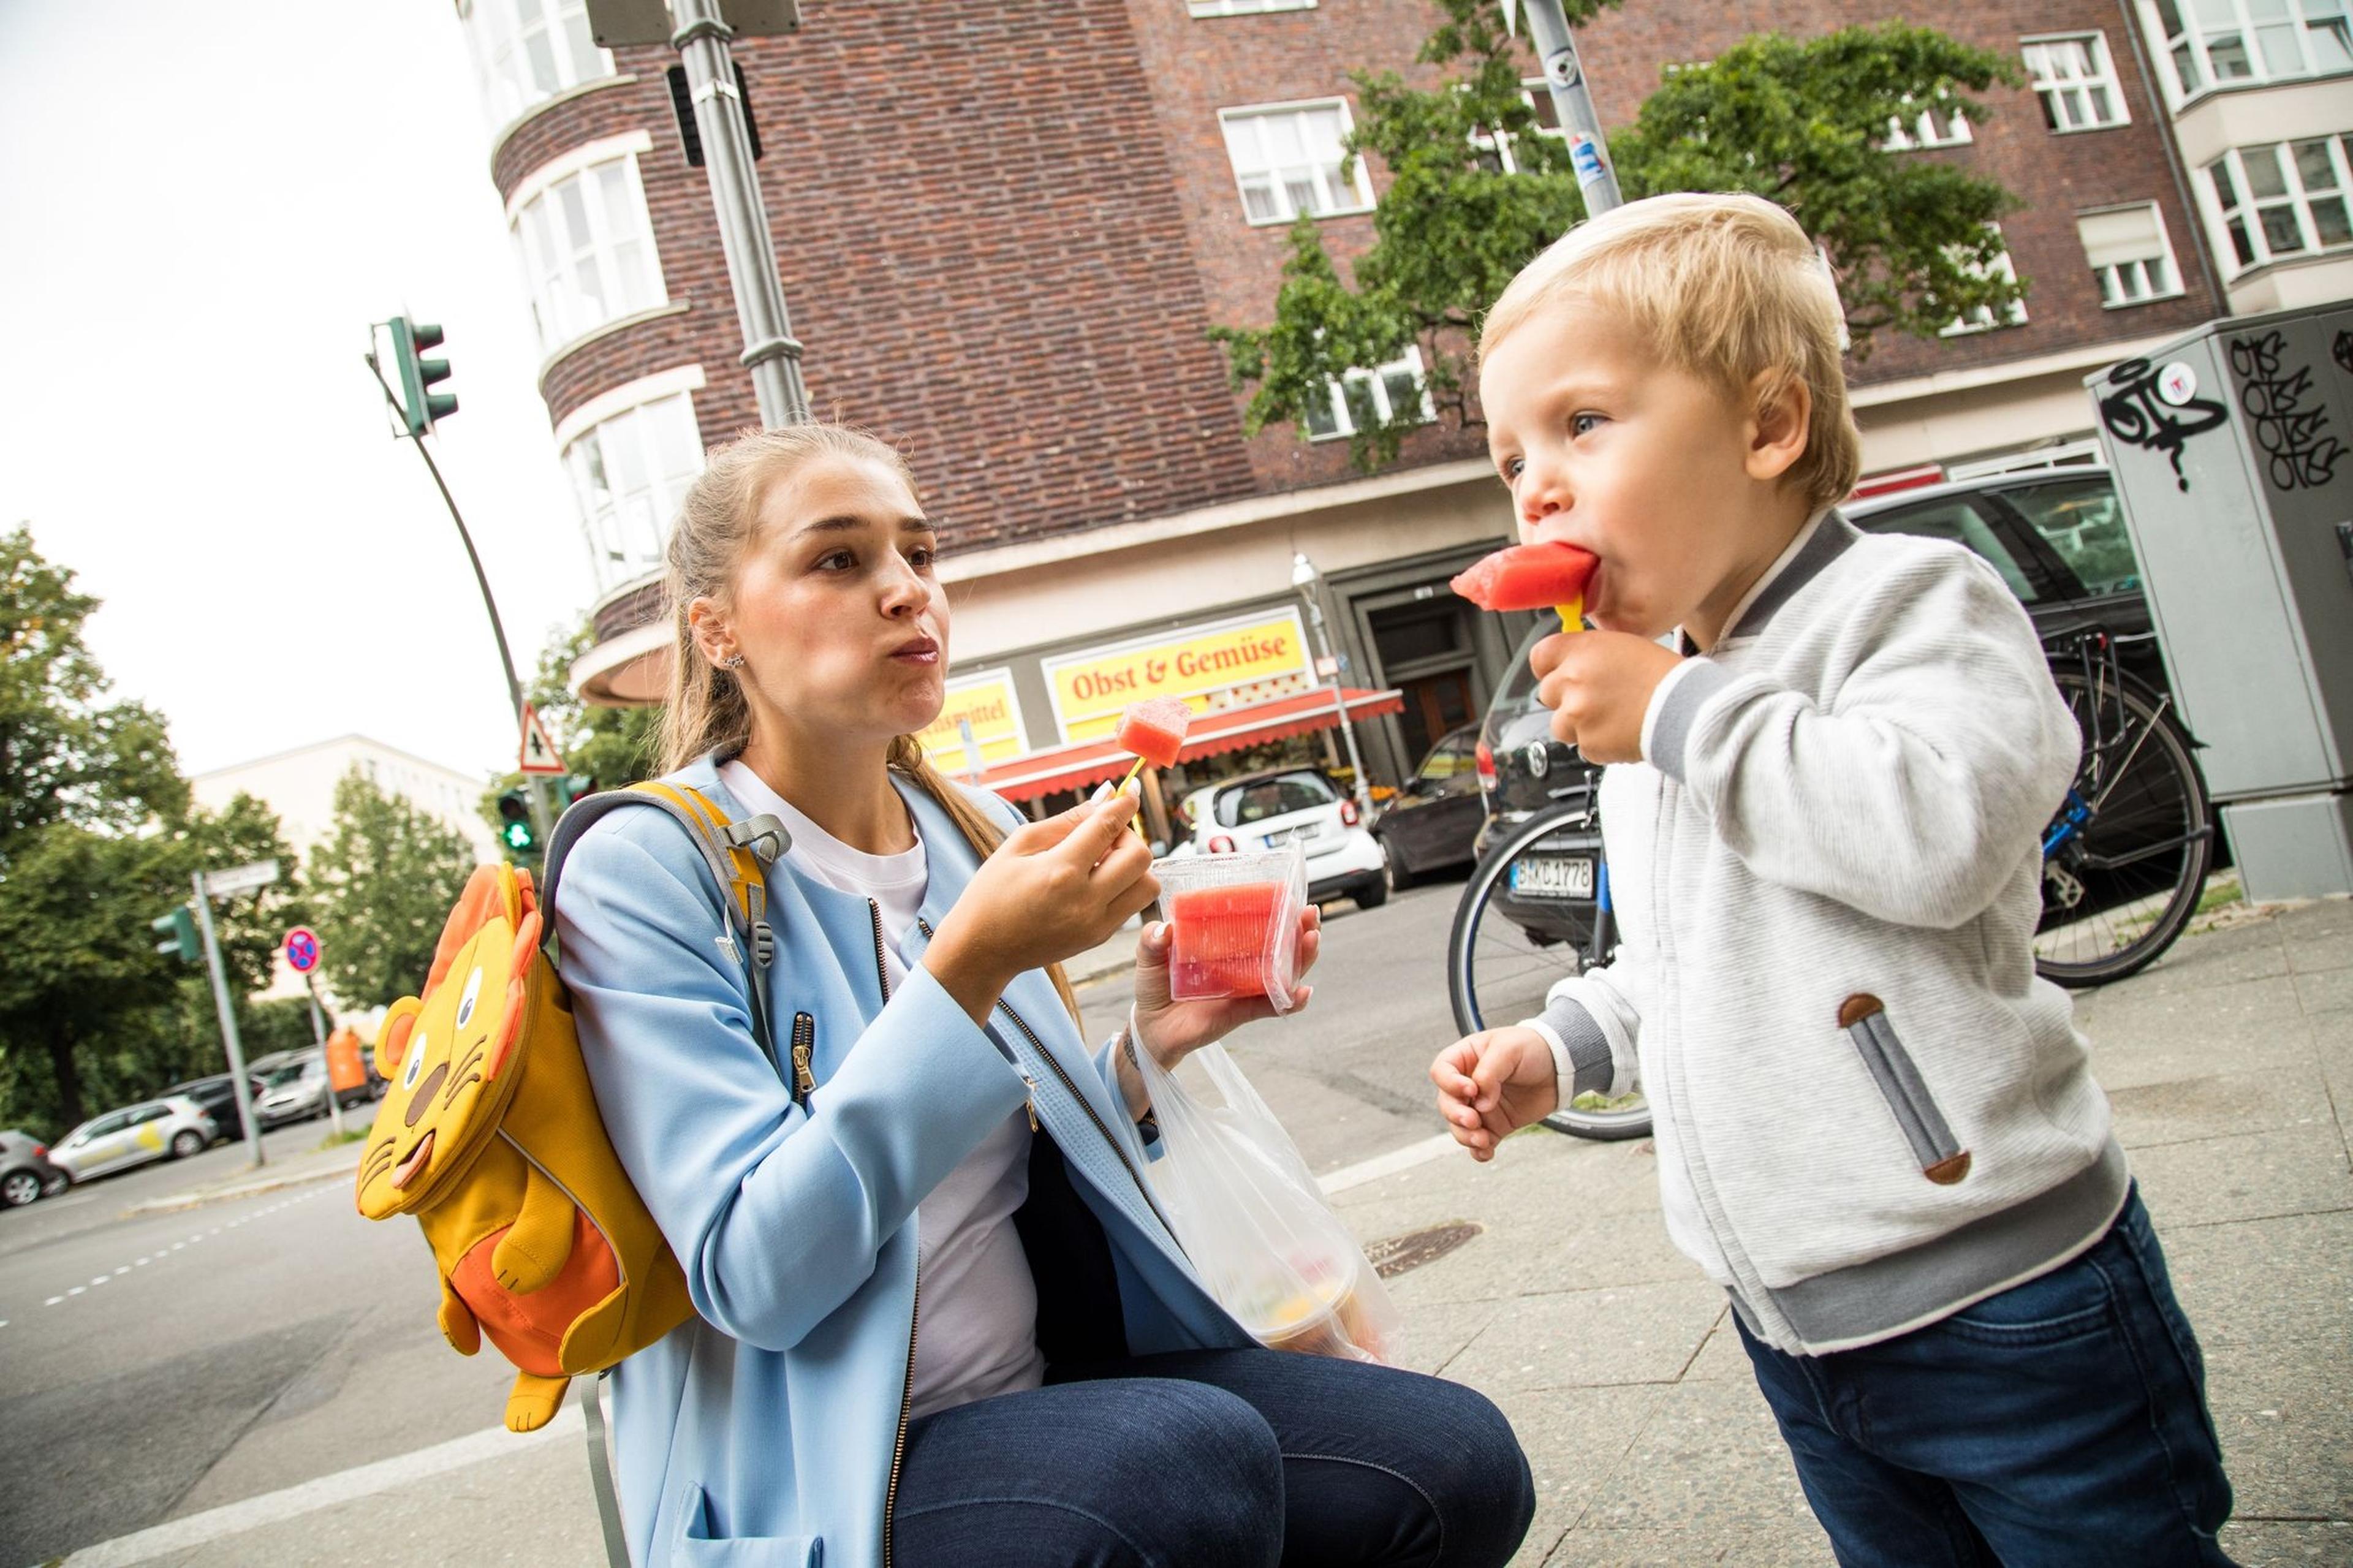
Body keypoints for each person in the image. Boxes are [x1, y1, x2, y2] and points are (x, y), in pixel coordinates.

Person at [557, 423, 1536, 1568]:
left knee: (1457, 1460)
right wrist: (965, 972)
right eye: (839, 559)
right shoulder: (647, 867)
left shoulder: (971, 826)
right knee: (1180, 1465)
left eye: (920, 555)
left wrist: (1147, 1054)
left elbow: (1012, 1165)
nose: (905, 591)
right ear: (716, 627)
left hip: (1057, 1385)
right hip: (835, 1476)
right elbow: (755, 1274)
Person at [1429, 194, 2236, 1566]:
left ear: (1769, 426)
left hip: (2010, 1298)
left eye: (1583, 423)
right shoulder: (1663, 706)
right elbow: (1688, 955)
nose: (1538, 488)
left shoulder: (1910, 605)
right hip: (1799, 1328)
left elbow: (1938, 835)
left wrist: (1681, 714)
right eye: (1513, 459)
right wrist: (1564, 1047)